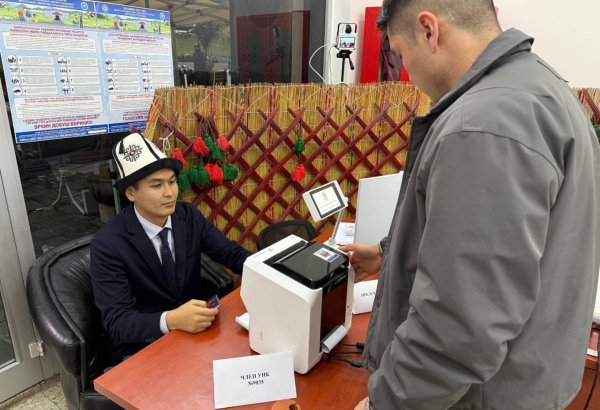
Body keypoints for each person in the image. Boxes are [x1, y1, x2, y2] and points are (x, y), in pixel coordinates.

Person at [341, 1, 600, 409]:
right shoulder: (544, 90)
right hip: (526, 384)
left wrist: (384, 403)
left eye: (401, 53)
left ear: (429, 30)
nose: (406, 72)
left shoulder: (482, 125)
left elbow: (458, 327)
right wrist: (387, 254)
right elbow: (512, 250)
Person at [91, 133, 252, 366]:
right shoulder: (108, 244)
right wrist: (171, 320)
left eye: (172, 181)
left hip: (197, 334)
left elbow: (231, 254)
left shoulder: (187, 216)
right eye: (157, 185)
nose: (169, 193)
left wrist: (272, 267)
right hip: (144, 348)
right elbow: (118, 322)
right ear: (131, 193)